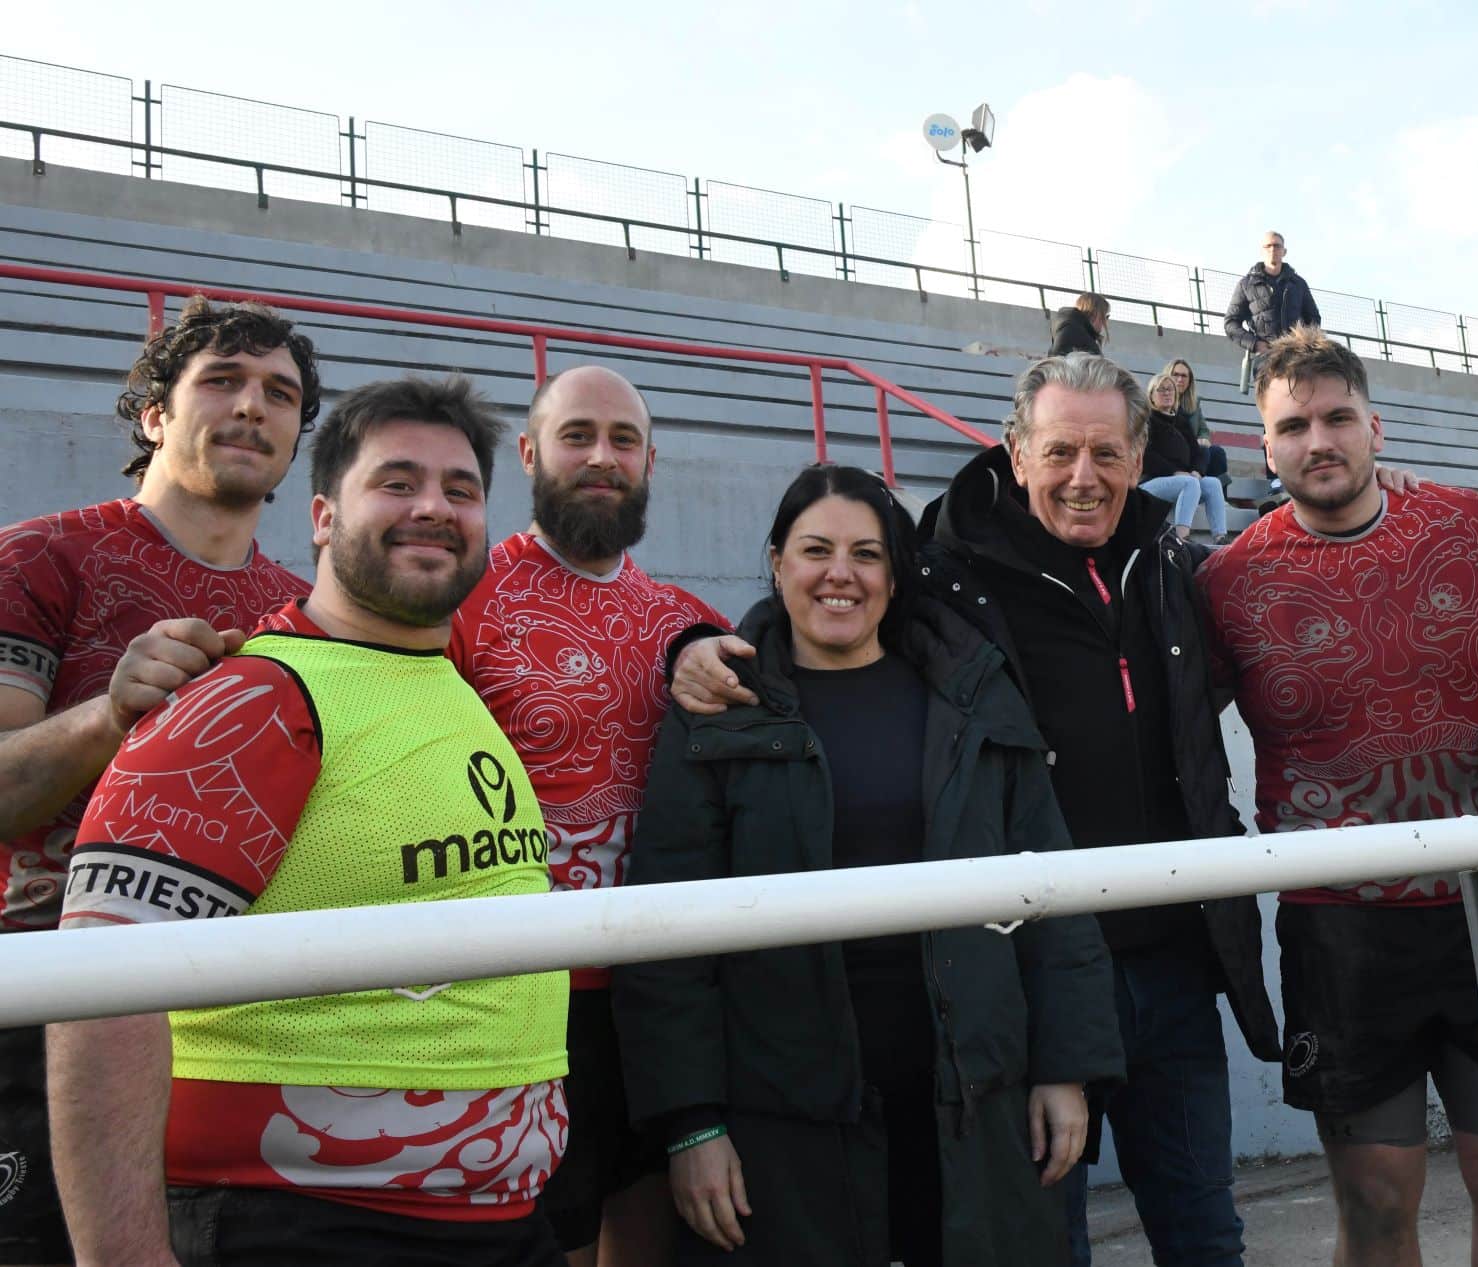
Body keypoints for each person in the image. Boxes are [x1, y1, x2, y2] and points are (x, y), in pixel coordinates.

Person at [672, 353, 1286, 1267]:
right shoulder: (941, 568)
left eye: (1108, 453)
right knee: (1044, 1242)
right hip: (1023, 975)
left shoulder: (1171, 563)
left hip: (1172, 967)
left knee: (1206, 1237)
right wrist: (691, 644)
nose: (1085, 476)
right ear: (1016, 448)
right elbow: (826, 611)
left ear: (1140, 451)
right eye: (1062, 450)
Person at [48, 377, 570, 1266]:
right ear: (323, 517)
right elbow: (96, 994)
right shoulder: (252, 700)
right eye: (397, 483)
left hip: (500, 1220)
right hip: (299, 1224)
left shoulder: (446, 683)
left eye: (460, 490)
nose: (434, 509)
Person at [613, 463, 1122, 1266]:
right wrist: (691, 1121)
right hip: (782, 1125)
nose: (839, 574)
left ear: (895, 574)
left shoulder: (976, 695)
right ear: (778, 563)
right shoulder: (717, 713)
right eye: (815, 549)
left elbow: (1049, 888)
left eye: (867, 553)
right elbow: (666, 935)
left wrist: (1067, 1068)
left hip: (966, 1102)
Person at [1196, 327, 1478, 1267]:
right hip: (1340, 923)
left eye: (1338, 416)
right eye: (1294, 425)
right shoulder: (1228, 582)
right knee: (1378, 1201)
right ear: (1264, 448)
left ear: (1374, 424)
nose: (1320, 440)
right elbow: (1169, 733)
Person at [0, 296, 319, 1264]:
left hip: (239, 1015)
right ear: (154, 415)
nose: (253, 407)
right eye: (221, 380)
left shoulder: (301, 616)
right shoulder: (40, 557)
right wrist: (110, 715)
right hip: (49, 997)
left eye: (280, 393)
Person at [448, 365, 724, 1267]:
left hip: (656, 999)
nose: (602, 457)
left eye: (623, 439)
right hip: (508, 996)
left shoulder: (687, 618)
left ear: (651, 461)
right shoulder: (456, 600)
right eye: (577, 436)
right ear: (529, 454)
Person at [1139, 369, 1228, 544]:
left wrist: (1197, 470)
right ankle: (1181, 538)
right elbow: (1145, 456)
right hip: (1149, 484)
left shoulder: (1180, 421)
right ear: (1151, 396)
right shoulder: (1147, 421)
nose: (1167, 393)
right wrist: (1174, 472)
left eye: (1170, 389)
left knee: (1212, 483)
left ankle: (1220, 537)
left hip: (1183, 482)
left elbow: (1199, 451)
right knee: (1189, 482)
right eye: (1161, 390)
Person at [1223, 232, 1321, 387]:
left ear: (1284, 251)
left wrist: (1303, 343)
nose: (1272, 249)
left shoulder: (1298, 284)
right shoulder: (1246, 285)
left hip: (1296, 359)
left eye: (1277, 245)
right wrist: (1256, 344)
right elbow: (1230, 324)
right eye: (1268, 246)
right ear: (1262, 251)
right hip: (1265, 361)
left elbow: (1314, 319)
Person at [1165, 359, 1228, 489]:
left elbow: (1203, 429)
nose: (1179, 379)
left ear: (1189, 381)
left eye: (1184, 376)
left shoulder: (1194, 405)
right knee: (1203, 452)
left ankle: (1222, 496)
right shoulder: (1161, 401)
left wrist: (1204, 438)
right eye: (1175, 374)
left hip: (1194, 452)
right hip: (1173, 454)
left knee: (1217, 452)